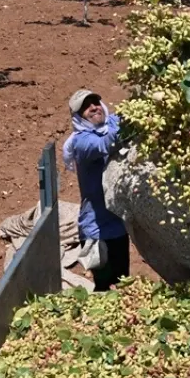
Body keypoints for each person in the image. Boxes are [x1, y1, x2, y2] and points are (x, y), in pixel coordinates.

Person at [62, 88, 130, 291]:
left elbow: (127, 119)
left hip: (118, 224)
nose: (93, 108)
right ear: (78, 116)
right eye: (86, 107)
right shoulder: (82, 142)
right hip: (97, 230)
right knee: (104, 286)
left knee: (124, 281)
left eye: (95, 103)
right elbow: (106, 143)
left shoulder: (111, 123)